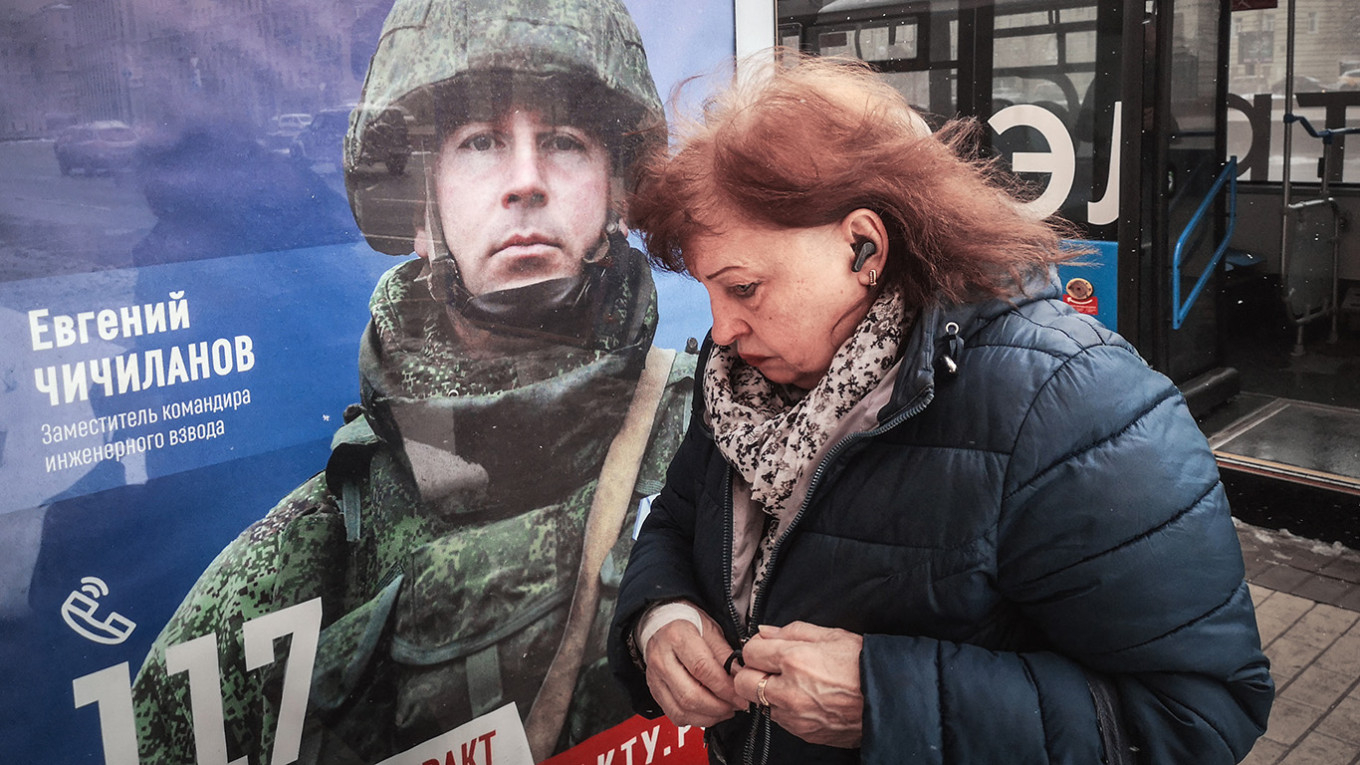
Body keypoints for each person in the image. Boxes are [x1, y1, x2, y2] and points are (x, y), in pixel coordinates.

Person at [608, 54, 1273, 765]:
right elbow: (679, 517)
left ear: (864, 246)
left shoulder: (1072, 404)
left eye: (743, 287)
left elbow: (1198, 716)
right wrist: (661, 614)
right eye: (709, 291)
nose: (723, 329)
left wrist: (889, 700)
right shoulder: (741, 381)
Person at [132, 0, 694, 762]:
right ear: (422, 214)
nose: (526, 181)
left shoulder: (720, 447)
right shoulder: (301, 563)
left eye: (564, 141)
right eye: (480, 142)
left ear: (618, 194)